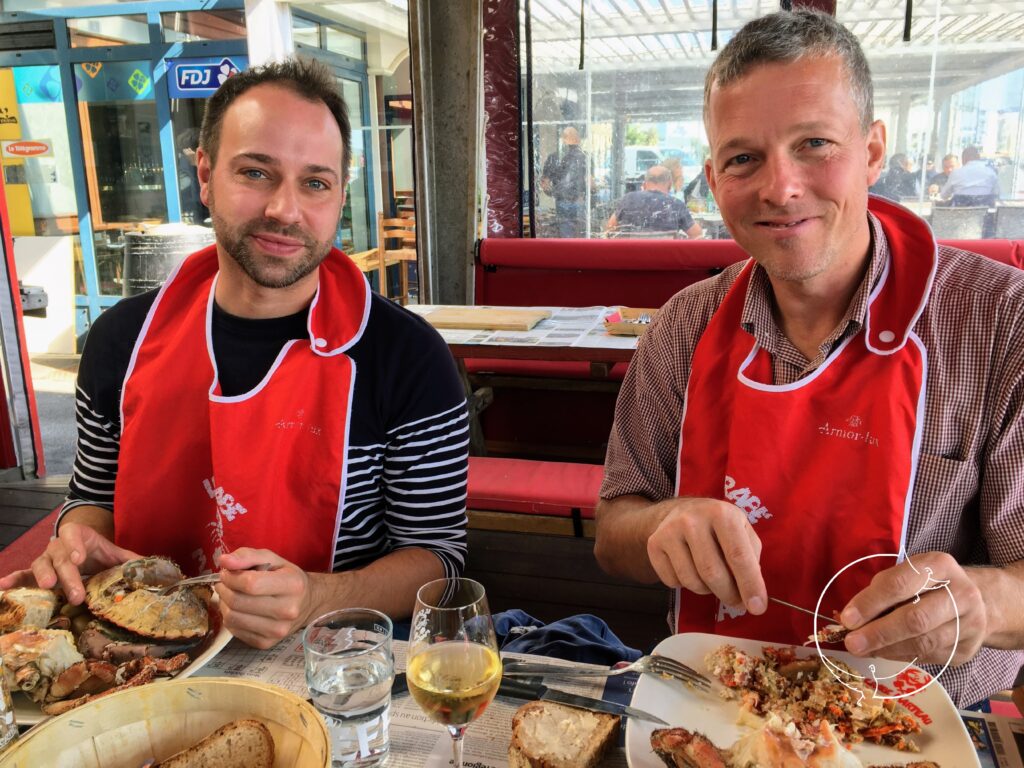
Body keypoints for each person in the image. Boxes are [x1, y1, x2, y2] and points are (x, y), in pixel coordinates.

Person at [594, 9, 1024, 709]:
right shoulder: (684, 325)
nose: (780, 187)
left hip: (918, 721)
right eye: (743, 159)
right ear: (712, 177)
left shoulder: (1003, 321)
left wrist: (981, 601)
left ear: (874, 150)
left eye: (814, 144)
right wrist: (659, 527)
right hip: (713, 703)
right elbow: (615, 531)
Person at [0, 59, 469, 649]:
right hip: (138, 651)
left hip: (333, 661)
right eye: (256, 172)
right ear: (205, 173)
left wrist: (315, 596)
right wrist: (75, 538)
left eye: (315, 183)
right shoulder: (121, 340)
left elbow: (441, 562)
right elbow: (92, 496)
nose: (285, 210)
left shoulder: (408, 357)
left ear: (339, 196)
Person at [606, 165, 703, 238]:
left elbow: (610, 229)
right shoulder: (676, 204)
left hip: (632, 262)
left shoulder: (628, 199)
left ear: (644, 184)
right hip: (665, 262)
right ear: (669, 185)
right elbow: (697, 235)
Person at [540, 127, 589, 237]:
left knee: (566, 234)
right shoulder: (585, 157)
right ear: (578, 139)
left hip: (562, 201)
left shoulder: (554, 157)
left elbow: (544, 183)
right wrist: (591, 192)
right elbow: (590, 182)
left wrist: (555, 194)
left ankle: (568, 252)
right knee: (581, 234)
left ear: (563, 139)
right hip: (579, 200)